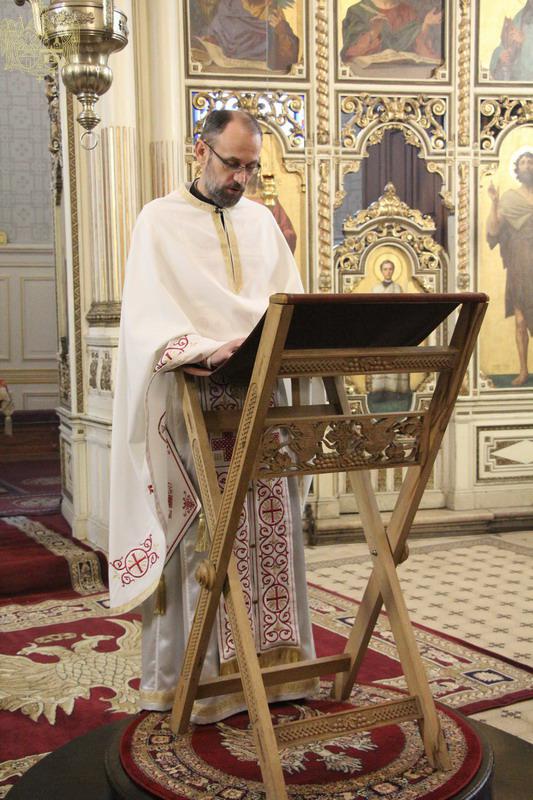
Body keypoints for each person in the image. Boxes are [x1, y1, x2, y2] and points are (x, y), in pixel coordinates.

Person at [108, 110, 317, 724]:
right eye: (232, 164)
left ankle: (274, 674)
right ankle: (191, 685)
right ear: (200, 151)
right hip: (195, 401)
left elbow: (288, 303)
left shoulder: (262, 224)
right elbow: (144, 318)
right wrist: (198, 349)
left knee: (270, 533)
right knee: (202, 542)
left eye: (252, 168)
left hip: (263, 401)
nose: (242, 179)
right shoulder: (159, 220)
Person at [487, 152, 533, 386]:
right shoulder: (509, 199)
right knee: (520, 320)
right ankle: (523, 370)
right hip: (518, 262)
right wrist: (495, 202)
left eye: (530, 162)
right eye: (523, 162)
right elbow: (494, 230)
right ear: (517, 168)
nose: (527, 165)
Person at [196, 0, 299, 71]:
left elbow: (289, 57)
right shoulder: (228, 6)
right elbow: (213, 34)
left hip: (263, 77)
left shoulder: (274, 12)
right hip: (228, 74)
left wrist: (281, 28)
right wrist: (212, 40)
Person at [340, 0, 442, 64]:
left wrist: (426, 25)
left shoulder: (409, 11)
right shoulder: (357, 11)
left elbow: (419, 49)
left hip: (404, 75)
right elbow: (350, 54)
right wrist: (374, 32)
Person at [370, 259, 410, 397]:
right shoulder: (376, 289)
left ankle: (395, 391)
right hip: (379, 328)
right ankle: (378, 391)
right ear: (381, 271)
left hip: (394, 328)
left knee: (394, 357)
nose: (388, 272)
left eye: (390, 269)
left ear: (393, 271)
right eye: (385, 269)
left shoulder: (398, 288)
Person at [490, 0, 533, 81]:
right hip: (515, 80)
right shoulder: (520, 16)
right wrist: (501, 54)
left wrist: (525, 41)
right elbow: (504, 44)